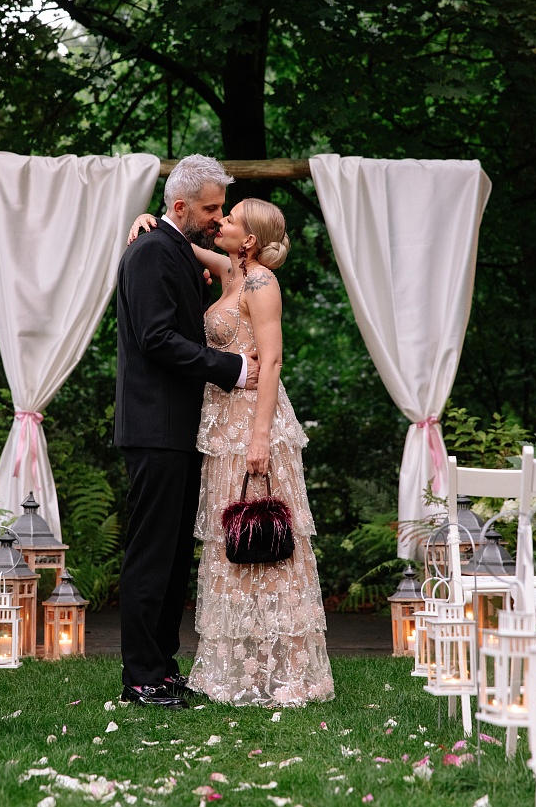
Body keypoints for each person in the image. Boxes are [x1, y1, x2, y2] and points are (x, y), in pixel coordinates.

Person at [130, 197, 334, 707]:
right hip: (218, 427)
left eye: (230, 217)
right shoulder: (229, 270)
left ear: (249, 239)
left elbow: (273, 361)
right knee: (231, 542)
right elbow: (176, 242)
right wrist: (146, 218)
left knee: (267, 538)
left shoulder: (261, 282)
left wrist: (260, 437)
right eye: (218, 212)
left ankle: (286, 671)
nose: (219, 221)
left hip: (251, 422)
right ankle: (238, 668)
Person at [114, 155, 260, 709]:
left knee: (174, 555)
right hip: (154, 426)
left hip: (178, 427)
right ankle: (140, 677)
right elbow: (156, 339)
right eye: (210, 208)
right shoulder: (152, 251)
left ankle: (162, 666)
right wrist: (232, 369)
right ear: (180, 206)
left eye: (221, 208)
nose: (218, 217)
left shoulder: (173, 247)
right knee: (152, 553)